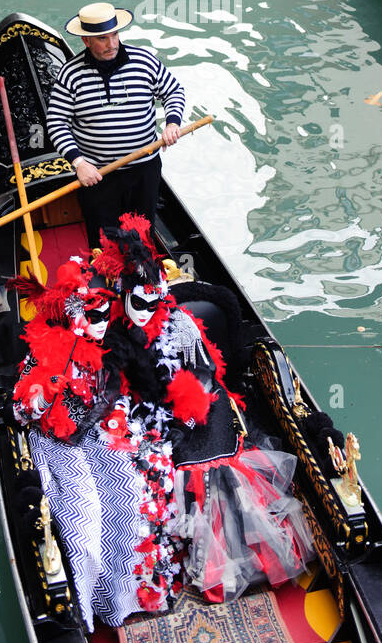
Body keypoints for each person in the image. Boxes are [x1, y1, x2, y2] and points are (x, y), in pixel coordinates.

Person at [98, 215, 315, 603]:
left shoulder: (181, 325)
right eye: (138, 302)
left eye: (154, 301)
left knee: (209, 462)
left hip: (199, 404)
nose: (147, 310)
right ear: (125, 296)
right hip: (147, 412)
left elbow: (205, 372)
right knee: (150, 461)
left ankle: (240, 559)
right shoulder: (114, 334)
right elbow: (114, 383)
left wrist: (187, 406)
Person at [12, 253, 181, 625]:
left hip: (98, 429)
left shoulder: (104, 343)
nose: (103, 323)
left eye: (107, 314)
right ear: (75, 317)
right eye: (94, 316)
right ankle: (87, 611)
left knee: (142, 480)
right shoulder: (46, 352)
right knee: (84, 518)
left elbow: (114, 386)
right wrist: (44, 394)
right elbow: (20, 412)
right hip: (57, 443)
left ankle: (130, 596)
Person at [46, 2, 186, 246]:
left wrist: (172, 123)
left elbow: (173, 91)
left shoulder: (144, 61)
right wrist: (79, 163)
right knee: (103, 242)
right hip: (98, 175)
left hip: (144, 169)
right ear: (86, 41)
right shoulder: (70, 74)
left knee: (142, 235)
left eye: (114, 35)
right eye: (102, 39)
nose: (112, 44)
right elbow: (56, 122)